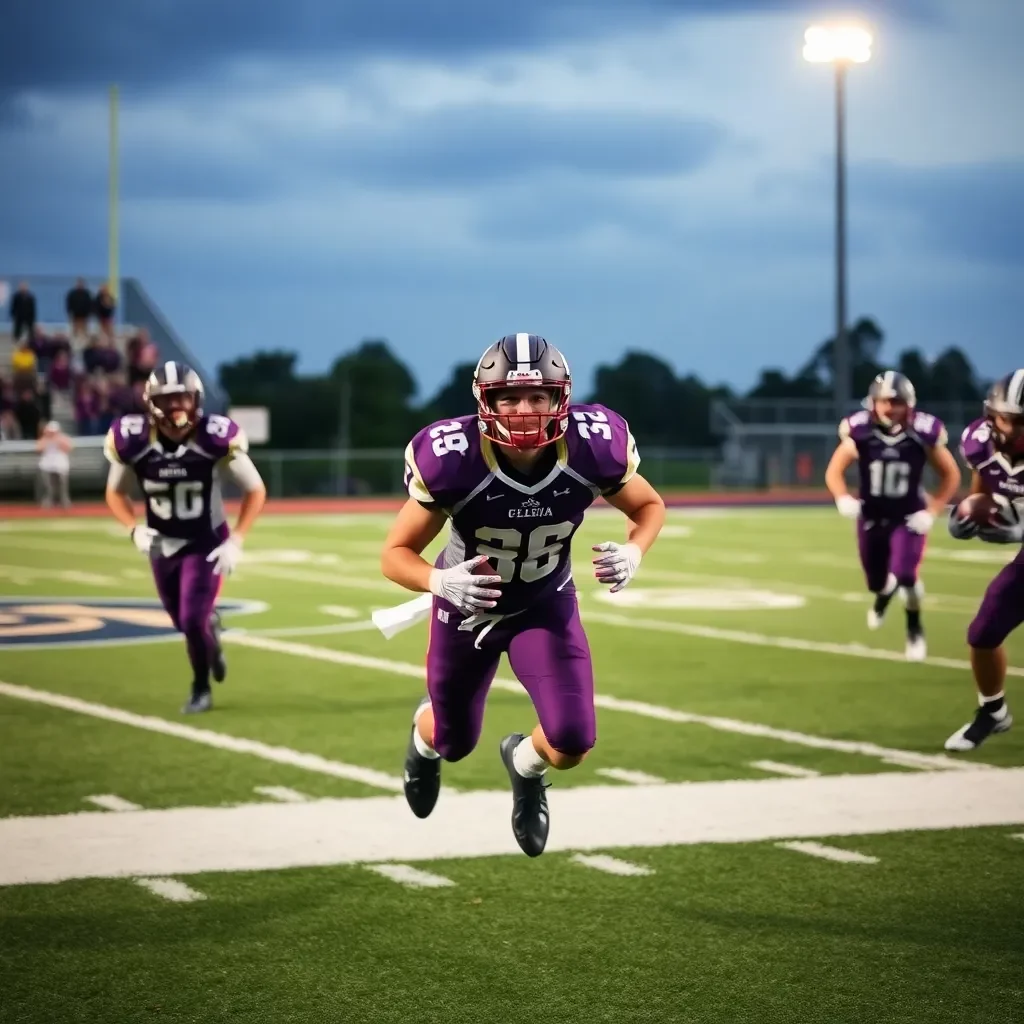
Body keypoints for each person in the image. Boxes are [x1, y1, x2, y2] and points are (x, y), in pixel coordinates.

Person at [379, 334, 665, 857]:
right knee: (453, 741)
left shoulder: (594, 446)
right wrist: (439, 582)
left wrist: (636, 552)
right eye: (509, 396)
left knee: (573, 740)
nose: (524, 410)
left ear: (561, 398)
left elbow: (649, 508)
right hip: (468, 609)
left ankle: (524, 764)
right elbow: (395, 553)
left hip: (544, 602)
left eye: (537, 396)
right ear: (485, 399)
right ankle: (424, 743)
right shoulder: (453, 459)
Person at [103, 361, 267, 713]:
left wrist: (236, 539)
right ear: (150, 403)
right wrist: (134, 529)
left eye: (183, 398)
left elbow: (255, 489)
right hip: (161, 545)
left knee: (192, 621)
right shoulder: (133, 439)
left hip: (206, 543)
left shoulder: (213, 438)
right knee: (184, 623)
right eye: (168, 400)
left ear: (197, 400)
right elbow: (115, 493)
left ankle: (200, 688)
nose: (177, 408)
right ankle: (211, 634)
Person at [824, 371, 961, 660]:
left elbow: (950, 474)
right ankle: (883, 596)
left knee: (907, 575)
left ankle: (914, 628)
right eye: (884, 401)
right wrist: (842, 497)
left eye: (896, 402)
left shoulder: (923, 432)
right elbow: (834, 470)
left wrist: (932, 511)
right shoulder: (859, 431)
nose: (890, 408)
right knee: (876, 583)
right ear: (873, 403)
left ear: (909, 404)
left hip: (908, 517)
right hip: (871, 515)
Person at [944, 370, 1024, 751]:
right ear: (993, 416)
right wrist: (968, 517)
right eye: (1017, 420)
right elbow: (983, 496)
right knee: (983, 633)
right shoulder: (980, 443)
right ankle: (992, 711)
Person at [36, 421, 74, 509]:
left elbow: (69, 448)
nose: (52, 433)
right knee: (49, 487)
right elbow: (38, 449)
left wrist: (58, 440)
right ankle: (48, 503)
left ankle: (64, 503)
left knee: (62, 487)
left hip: (60, 466)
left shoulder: (63, 438)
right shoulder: (44, 439)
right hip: (47, 466)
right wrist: (47, 438)